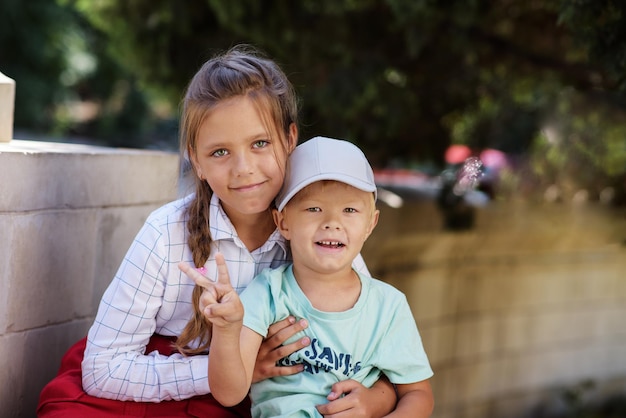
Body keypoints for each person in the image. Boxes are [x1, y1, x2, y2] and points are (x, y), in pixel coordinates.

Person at [37, 46, 397, 417]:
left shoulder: (320, 234)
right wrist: (232, 371)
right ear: (196, 159)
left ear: (290, 139)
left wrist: (376, 398)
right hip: (155, 390)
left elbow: (380, 358)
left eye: (260, 143)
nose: (243, 169)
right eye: (220, 152)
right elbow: (102, 370)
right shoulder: (166, 233)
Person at [180, 136, 435, 418]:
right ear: (283, 222)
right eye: (314, 208)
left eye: (349, 210)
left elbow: (417, 395)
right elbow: (229, 393)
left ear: (370, 223)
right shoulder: (267, 293)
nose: (331, 222)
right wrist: (227, 329)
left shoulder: (388, 306)